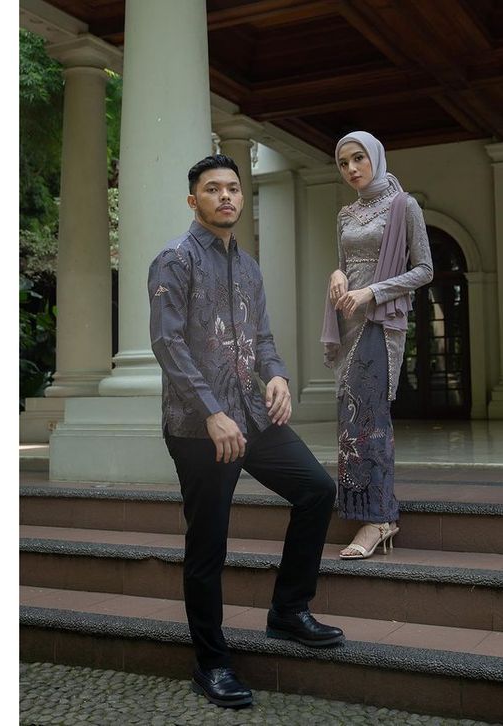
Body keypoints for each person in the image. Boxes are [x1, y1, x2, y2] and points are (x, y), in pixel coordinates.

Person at [149, 154, 344, 710]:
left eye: (233, 188)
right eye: (213, 189)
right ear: (194, 200)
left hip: (252, 416)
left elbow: (261, 339)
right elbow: (168, 344)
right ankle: (211, 663)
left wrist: (277, 375)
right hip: (199, 426)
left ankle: (288, 611)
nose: (226, 197)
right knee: (208, 543)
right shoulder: (175, 260)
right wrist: (212, 412)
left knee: (317, 490)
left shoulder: (251, 268)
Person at [322, 131, 434, 560]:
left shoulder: (404, 206)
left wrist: (373, 292)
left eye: (358, 158)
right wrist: (337, 274)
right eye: (343, 162)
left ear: (375, 157)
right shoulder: (345, 214)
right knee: (349, 419)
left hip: (381, 322)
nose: (351, 169)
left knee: (370, 417)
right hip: (348, 320)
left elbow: (424, 269)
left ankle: (380, 518)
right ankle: (363, 511)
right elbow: (345, 264)